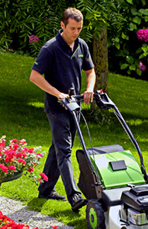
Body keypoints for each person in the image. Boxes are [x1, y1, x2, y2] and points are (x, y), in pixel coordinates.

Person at [29, 7, 94, 212]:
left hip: (74, 106)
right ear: (62, 25)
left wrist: (89, 89)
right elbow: (35, 76)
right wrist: (57, 93)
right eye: (73, 28)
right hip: (56, 107)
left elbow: (90, 70)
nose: (76, 32)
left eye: (80, 29)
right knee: (64, 150)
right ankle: (74, 195)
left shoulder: (81, 45)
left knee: (57, 148)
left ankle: (46, 188)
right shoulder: (51, 48)